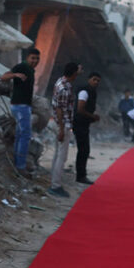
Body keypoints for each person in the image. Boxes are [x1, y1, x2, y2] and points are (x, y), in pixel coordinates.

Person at [1, 47, 40, 173]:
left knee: (20, 135)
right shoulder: (22, 66)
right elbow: (4, 77)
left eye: (37, 59)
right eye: (33, 58)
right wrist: (15, 74)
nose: (35, 61)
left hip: (23, 105)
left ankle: (18, 164)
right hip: (20, 106)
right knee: (25, 135)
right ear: (27, 57)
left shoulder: (30, 69)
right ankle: (20, 166)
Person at [48, 62, 81, 198]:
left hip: (59, 123)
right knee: (61, 156)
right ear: (74, 73)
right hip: (62, 125)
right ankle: (55, 185)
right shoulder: (64, 89)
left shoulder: (62, 82)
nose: (80, 70)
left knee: (58, 154)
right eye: (78, 69)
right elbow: (60, 109)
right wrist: (62, 129)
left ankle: (54, 182)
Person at [73, 73, 102, 185]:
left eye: (98, 81)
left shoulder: (91, 92)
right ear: (89, 79)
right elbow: (80, 109)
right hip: (79, 123)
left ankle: (81, 175)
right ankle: (81, 176)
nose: (96, 82)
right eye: (94, 79)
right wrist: (92, 116)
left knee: (84, 150)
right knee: (83, 150)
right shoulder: (85, 91)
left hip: (84, 124)